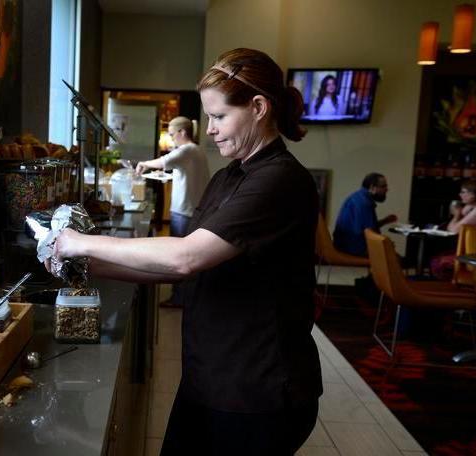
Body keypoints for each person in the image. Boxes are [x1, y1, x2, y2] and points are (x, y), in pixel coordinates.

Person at [46, 48, 321, 455]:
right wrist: (85, 264)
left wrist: (76, 241)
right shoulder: (230, 176)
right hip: (210, 377)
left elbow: (185, 256)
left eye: (219, 116)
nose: (208, 129)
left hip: (257, 389)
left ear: (259, 107)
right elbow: (179, 270)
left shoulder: (280, 180)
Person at [136, 116, 210, 307]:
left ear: (182, 132)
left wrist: (144, 163)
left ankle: (180, 299)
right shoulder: (195, 151)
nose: (171, 139)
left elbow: (163, 161)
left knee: (180, 259)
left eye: (171, 134)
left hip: (184, 211)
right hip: (191, 209)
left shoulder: (187, 150)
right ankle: (185, 297)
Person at [333, 173, 398, 257]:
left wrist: (385, 221)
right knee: (397, 259)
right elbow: (369, 233)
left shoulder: (359, 197)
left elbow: (366, 228)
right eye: (383, 186)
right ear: (372, 188)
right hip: (352, 248)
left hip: (346, 245)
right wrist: (386, 243)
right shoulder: (364, 203)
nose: (387, 189)